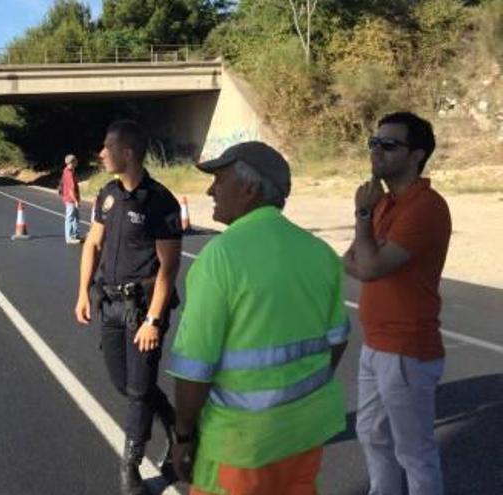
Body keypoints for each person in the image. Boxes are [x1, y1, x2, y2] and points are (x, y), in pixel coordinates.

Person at [168, 141, 349, 495]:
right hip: (303, 435)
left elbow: (194, 368)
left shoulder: (220, 258)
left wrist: (184, 435)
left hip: (240, 447)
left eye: (219, 180)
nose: (210, 190)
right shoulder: (320, 254)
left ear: (249, 189)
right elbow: (338, 339)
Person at [344, 112, 450, 495]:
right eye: (374, 142)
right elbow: (349, 260)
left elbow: (367, 267)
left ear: (417, 155)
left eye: (389, 145)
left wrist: (362, 215)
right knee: (370, 433)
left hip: (407, 347)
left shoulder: (425, 208)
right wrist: (369, 230)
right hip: (376, 343)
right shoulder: (386, 203)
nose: (377, 150)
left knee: (415, 452)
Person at [74, 120, 182, 495]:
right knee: (125, 384)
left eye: (107, 147)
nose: (101, 153)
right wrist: (83, 292)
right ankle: (176, 425)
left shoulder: (160, 202)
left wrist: (153, 319)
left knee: (138, 392)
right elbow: (92, 244)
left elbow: (169, 267)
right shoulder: (107, 194)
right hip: (111, 305)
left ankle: (131, 466)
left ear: (128, 153)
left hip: (143, 310)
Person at [58, 153, 82, 244]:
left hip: (70, 197)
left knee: (76, 217)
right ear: (72, 162)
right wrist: (76, 201)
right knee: (70, 217)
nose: (77, 162)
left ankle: (75, 235)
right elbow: (71, 189)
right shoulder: (69, 174)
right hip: (70, 199)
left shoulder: (69, 170)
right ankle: (69, 237)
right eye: (76, 160)